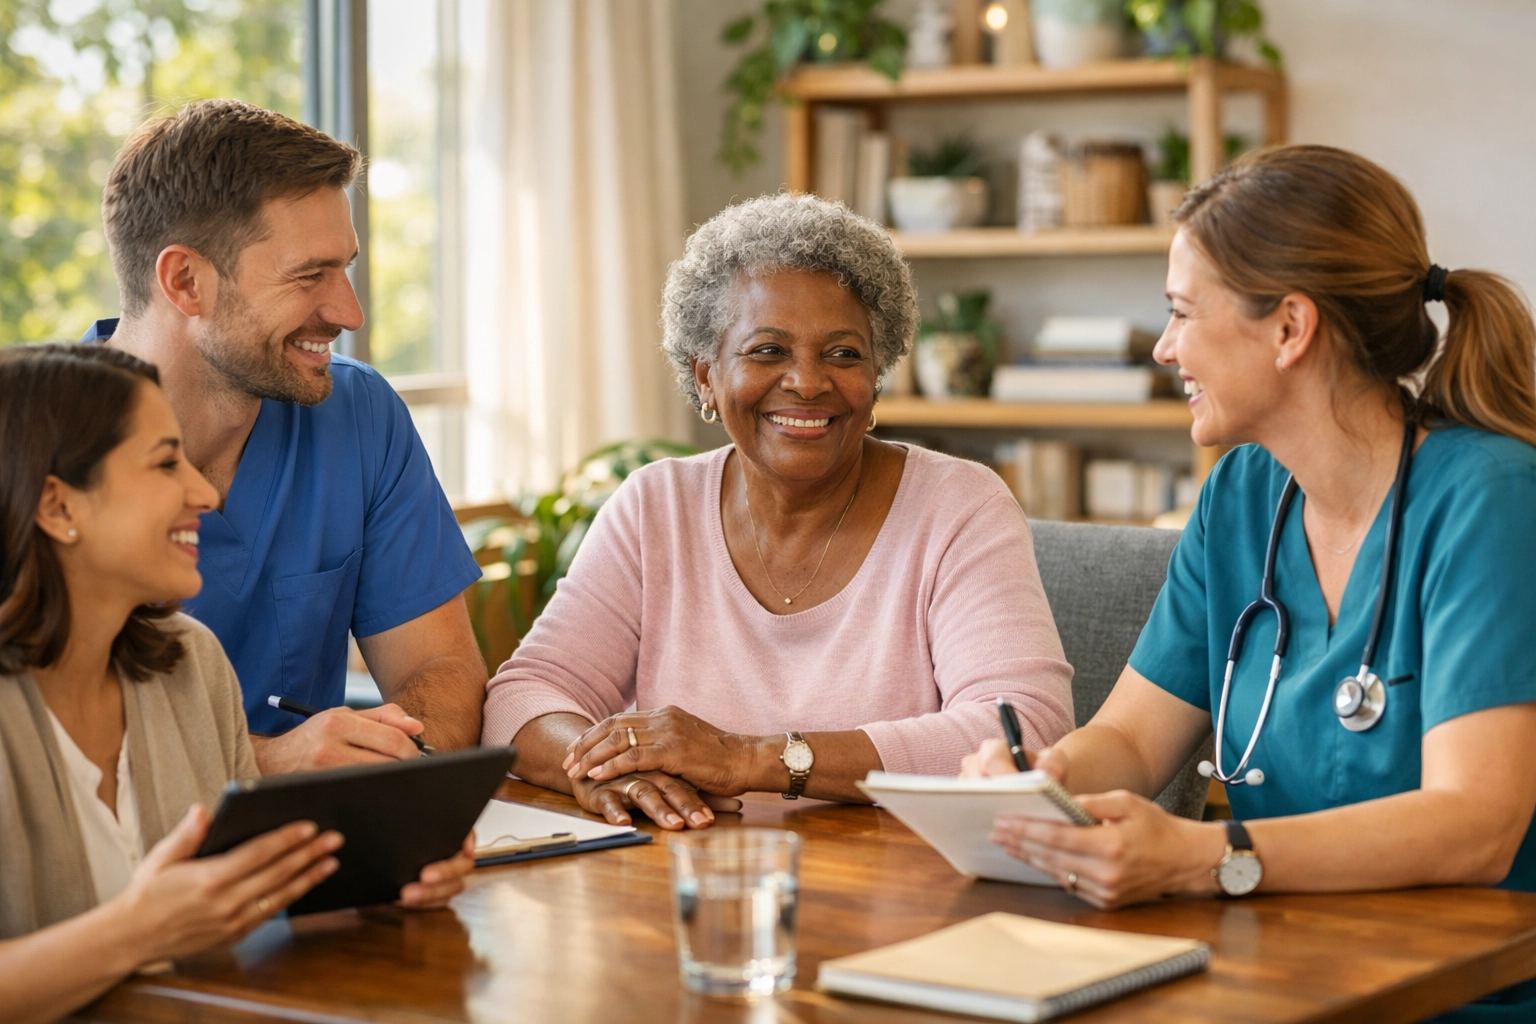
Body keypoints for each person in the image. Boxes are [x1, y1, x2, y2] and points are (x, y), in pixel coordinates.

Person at [962, 145, 1536, 1020]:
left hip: (1462, 992)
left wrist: (1201, 856)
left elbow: (1477, 826)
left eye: (1182, 313)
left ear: (1289, 328)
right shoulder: (1242, 494)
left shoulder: (1489, 499)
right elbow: (1133, 740)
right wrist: (1044, 774)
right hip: (1280, 971)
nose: (1163, 347)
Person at [483, 193, 1075, 829]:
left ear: (877, 377)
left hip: (901, 892)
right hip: (687, 889)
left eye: (844, 354)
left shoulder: (959, 505)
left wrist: (749, 759)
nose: (808, 382)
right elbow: (522, 698)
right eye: (768, 350)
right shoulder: (655, 507)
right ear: (706, 376)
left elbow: (1023, 732)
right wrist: (611, 769)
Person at [0, 344, 473, 1024]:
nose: (203, 492)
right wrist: (139, 930)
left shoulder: (190, 666)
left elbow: (237, 915)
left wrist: (380, 871)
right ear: (57, 505)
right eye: (166, 463)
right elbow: (165, 930)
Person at [88, 99, 485, 774]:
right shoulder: (32, 446)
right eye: (310, 276)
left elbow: (441, 667)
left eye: (346, 267)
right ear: (185, 281)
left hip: (324, 852)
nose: (349, 312)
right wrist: (268, 766)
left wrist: (390, 773)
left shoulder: (359, 415)